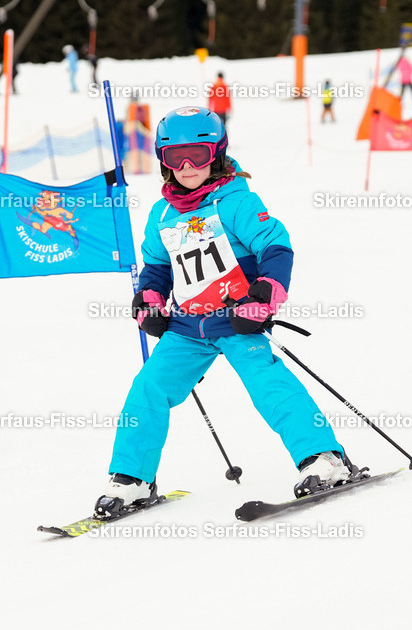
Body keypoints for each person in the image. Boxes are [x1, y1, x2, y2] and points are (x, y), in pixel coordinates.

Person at [93, 106, 354, 517]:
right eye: (174, 156)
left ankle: (324, 458)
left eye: (196, 155)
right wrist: (149, 300)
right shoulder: (163, 214)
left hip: (235, 320)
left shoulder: (236, 203)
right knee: (148, 389)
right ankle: (132, 479)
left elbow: (276, 248)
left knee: (269, 385)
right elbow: (157, 267)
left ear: (215, 153)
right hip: (188, 326)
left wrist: (263, 295)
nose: (185, 166)